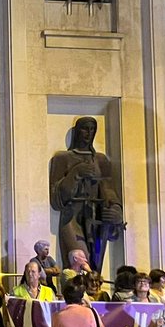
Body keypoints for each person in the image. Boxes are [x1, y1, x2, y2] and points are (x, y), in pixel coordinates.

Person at [48, 116, 124, 271]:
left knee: (95, 264)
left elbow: (108, 189)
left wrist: (116, 209)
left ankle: (94, 285)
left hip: (95, 215)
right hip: (72, 217)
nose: (89, 133)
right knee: (78, 259)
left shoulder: (100, 160)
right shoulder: (63, 158)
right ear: (77, 131)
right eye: (85, 129)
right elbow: (56, 197)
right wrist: (76, 172)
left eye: (92, 129)